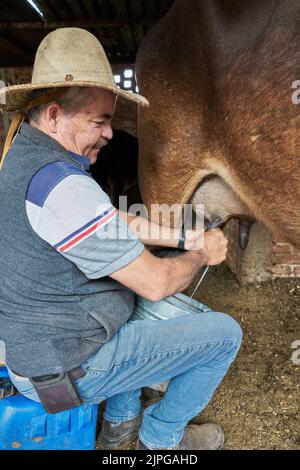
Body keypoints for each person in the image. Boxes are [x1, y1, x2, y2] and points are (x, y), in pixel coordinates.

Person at [0, 28, 242, 450]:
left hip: (49, 345)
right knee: (223, 334)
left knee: (126, 302)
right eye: (101, 121)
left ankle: (119, 426)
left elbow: (113, 221)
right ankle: (161, 438)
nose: (111, 133)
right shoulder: (64, 187)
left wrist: (186, 237)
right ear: (54, 115)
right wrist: (201, 254)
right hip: (63, 369)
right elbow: (157, 282)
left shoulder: (27, 157)